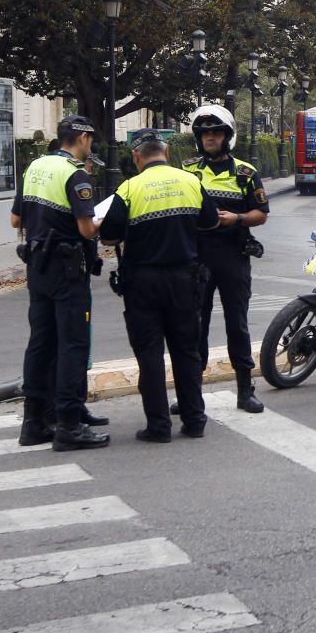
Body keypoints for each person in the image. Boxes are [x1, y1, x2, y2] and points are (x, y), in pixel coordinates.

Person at [99, 129, 219, 442]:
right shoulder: (191, 181)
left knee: (150, 355)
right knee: (187, 352)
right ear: (165, 152)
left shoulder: (128, 188)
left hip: (143, 284)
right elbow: (210, 222)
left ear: (137, 157)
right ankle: (194, 420)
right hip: (185, 279)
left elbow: (109, 237)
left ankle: (159, 426)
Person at [10, 115, 109, 452]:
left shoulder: (34, 167)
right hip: (67, 270)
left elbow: (15, 219)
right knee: (73, 345)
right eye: (90, 139)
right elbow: (86, 230)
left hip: (37, 267)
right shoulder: (74, 173)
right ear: (81, 137)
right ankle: (69, 424)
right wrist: (102, 218)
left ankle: (35, 421)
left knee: (41, 343)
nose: (91, 145)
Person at [170, 105, 269, 415]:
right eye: (204, 134)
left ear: (227, 137)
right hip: (196, 258)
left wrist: (236, 218)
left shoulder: (246, 173)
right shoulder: (186, 171)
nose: (210, 138)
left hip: (233, 257)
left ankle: (245, 390)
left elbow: (261, 214)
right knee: (194, 326)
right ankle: (190, 393)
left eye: (216, 133)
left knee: (236, 325)